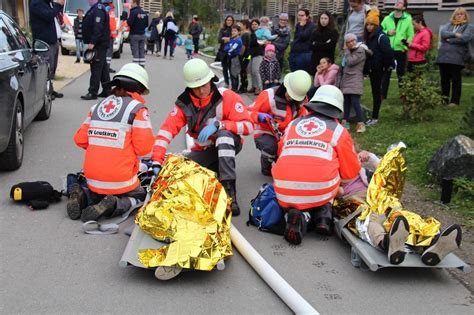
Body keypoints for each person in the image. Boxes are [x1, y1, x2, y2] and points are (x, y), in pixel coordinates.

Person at [151, 59, 254, 216]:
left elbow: (248, 126)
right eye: (196, 87)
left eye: (204, 85)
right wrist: (156, 160)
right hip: (204, 149)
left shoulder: (227, 97)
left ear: (211, 80)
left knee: (224, 137)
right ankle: (214, 169)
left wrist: (221, 125)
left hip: (228, 144)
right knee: (182, 169)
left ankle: (229, 191)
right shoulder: (184, 104)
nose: (201, 91)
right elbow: (166, 131)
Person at [272, 85, 361, 245]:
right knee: (334, 181)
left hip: (283, 189)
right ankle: (323, 215)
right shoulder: (339, 131)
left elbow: (280, 153)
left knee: (309, 183)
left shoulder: (293, 124)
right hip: (319, 190)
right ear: (337, 111)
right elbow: (350, 174)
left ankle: (300, 216)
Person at [68, 63, 154, 222]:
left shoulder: (97, 107)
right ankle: (115, 204)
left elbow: (79, 139)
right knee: (142, 196)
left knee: (96, 190)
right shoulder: (137, 109)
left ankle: (83, 197)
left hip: (92, 178)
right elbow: (144, 148)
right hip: (121, 179)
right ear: (139, 89)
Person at [249, 70, 312, 176]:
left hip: (285, 136)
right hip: (265, 132)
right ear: (286, 86)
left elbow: (304, 119)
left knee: (287, 163)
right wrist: (258, 116)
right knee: (271, 147)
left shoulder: (302, 101)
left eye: (294, 96)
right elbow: (248, 112)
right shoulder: (269, 96)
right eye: (290, 94)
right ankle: (266, 167)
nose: (291, 98)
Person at [436, 7, 473, 107]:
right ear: (454, 15)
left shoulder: (468, 26)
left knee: (456, 80)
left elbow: (465, 38)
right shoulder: (449, 25)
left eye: (462, 14)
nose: (459, 16)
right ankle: (444, 99)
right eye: (457, 14)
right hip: (443, 56)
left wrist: (450, 40)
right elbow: (443, 34)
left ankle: (454, 101)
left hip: (457, 57)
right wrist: (455, 34)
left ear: (465, 16)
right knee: (444, 80)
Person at [363, 9, 394, 127]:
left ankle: (375, 117)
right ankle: (373, 116)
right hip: (372, 69)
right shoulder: (370, 37)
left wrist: (384, 67)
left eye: (372, 25)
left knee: (377, 93)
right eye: (368, 24)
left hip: (379, 69)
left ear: (376, 25)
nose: (369, 27)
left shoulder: (381, 37)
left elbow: (388, 53)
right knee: (374, 92)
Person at [30, 0, 65, 99]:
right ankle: (45, 92)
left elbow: (56, 14)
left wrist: (58, 6)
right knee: (46, 69)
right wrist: (58, 5)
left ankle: (50, 88)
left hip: (53, 41)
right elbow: (49, 15)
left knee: (52, 68)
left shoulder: (47, 3)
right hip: (44, 43)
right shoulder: (37, 3)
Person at [381, 0, 414, 99]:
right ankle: (382, 95)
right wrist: (387, 32)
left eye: (400, 2)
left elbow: (410, 35)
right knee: (386, 72)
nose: (397, 3)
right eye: (397, 1)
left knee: (401, 73)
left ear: (404, 7)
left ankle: (403, 95)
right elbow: (380, 30)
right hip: (388, 49)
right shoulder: (387, 18)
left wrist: (405, 46)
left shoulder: (408, 19)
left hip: (400, 50)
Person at [80, 0, 111, 100]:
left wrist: (93, 42)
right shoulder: (95, 9)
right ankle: (107, 90)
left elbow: (98, 27)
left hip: (99, 43)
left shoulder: (98, 9)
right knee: (103, 67)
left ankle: (92, 91)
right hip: (99, 43)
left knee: (96, 67)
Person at [340, 33, 367, 133]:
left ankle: (360, 123)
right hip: (346, 79)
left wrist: (346, 51)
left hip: (355, 78)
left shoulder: (360, 51)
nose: (351, 43)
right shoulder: (349, 52)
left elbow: (351, 61)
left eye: (353, 41)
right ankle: (345, 122)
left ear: (356, 41)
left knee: (355, 102)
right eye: (348, 42)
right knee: (346, 101)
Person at [310, 11, 339, 76]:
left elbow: (330, 46)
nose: (323, 20)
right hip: (316, 60)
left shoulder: (334, 32)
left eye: (325, 18)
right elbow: (310, 46)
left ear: (329, 19)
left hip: (327, 60)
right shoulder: (315, 32)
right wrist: (324, 43)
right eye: (321, 18)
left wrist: (316, 43)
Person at [289, 9, 315, 73]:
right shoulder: (298, 25)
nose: (300, 17)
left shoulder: (311, 26)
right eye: (299, 15)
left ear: (307, 16)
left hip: (304, 53)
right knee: (293, 73)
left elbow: (303, 36)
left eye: (302, 15)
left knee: (300, 73)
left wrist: (301, 26)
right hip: (295, 52)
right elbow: (296, 38)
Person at [127, 0, 148, 67]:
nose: (131, 4)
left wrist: (127, 20)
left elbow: (130, 23)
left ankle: (136, 67)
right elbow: (146, 24)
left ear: (135, 3)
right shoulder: (144, 12)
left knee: (135, 51)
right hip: (142, 34)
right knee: (142, 51)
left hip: (134, 34)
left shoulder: (133, 12)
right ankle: (142, 66)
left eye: (131, 3)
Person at [224, 25, 243, 92]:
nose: (233, 32)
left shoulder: (238, 40)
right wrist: (228, 47)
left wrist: (229, 47)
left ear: (239, 32)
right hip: (230, 58)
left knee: (234, 74)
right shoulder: (232, 39)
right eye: (232, 31)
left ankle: (235, 89)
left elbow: (230, 49)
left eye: (235, 31)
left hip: (235, 58)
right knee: (231, 73)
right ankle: (233, 87)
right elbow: (225, 47)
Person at [248, 19, 265, 94]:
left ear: (258, 25)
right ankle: (253, 86)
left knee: (256, 71)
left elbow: (261, 43)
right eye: (252, 24)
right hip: (251, 54)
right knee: (251, 71)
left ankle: (259, 88)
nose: (254, 25)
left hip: (258, 54)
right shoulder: (251, 34)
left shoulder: (260, 34)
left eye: (255, 24)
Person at [217, 15, 234, 87]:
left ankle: (233, 84)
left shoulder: (234, 29)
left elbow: (234, 39)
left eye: (230, 20)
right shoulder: (223, 29)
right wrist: (227, 39)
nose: (229, 21)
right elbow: (219, 39)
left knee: (231, 69)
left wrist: (226, 39)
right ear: (225, 21)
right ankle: (226, 83)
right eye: (228, 20)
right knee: (224, 69)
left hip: (231, 52)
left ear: (232, 21)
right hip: (223, 52)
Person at [238, 19, 251, 93]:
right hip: (248, 56)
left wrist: (240, 55)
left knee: (243, 72)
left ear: (245, 25)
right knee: (244, 71)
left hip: (244, 56)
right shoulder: (249, 34)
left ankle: (243, 87)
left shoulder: (245, 35)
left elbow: (243, 47)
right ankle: (244, 85)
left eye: (241, 25)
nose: (240, 26)